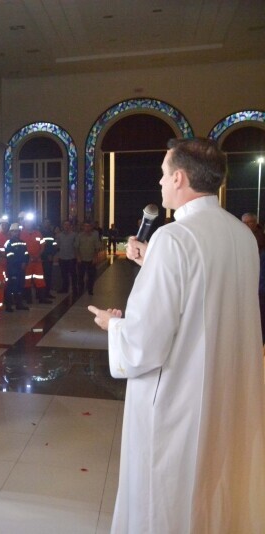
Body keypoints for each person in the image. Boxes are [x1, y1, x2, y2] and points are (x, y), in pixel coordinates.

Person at [88, 137, 265, 533]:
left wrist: (113, 326)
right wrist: (151, 261)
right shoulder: (241, 235)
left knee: (168, 500)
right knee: (215, 491)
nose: (160, 181)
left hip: (179, 400)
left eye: (164, 173)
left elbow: (145, 342)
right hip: (226, 390)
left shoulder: (173, 238)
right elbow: (209, 290)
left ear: (180, 178)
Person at [4, 223, 29, 312]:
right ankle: (8, 306)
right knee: (11, 286)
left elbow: (26, 253)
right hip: (13, 268)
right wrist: (19, 263)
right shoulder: (8, 243)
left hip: (21, 269)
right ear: (10, 232)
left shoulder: (23, 242)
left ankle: (19, 304)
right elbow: (9, 256)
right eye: (14, 231)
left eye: (17, 231)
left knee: (20, 286)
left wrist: (25, 262)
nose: (16, 233)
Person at [74, 221, 102, 295]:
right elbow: (76, 247)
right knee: (80, 276)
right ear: (83, 227)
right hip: (81, 259)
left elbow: (97, 248)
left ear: (91, 227)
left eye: (88, 226)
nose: (87, 228)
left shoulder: (94, 236)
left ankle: (90, 289)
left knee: (91, 276)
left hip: (91, 259)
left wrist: (95, 257)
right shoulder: (79, 236)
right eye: (85, 226)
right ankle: (81, 290)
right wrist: (78, 257)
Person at [56, 220, 77, 293]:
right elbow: (57, 246)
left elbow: (76, 246)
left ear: (70, 226)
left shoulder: (74, 235)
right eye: (65, 225)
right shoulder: (59, 235)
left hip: (71, 258)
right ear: (63, 226)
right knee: (64, 275)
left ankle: (75, 288)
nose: (66, 226)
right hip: (62, 258)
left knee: (73, 274)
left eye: (68, 225)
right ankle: (65, 288)